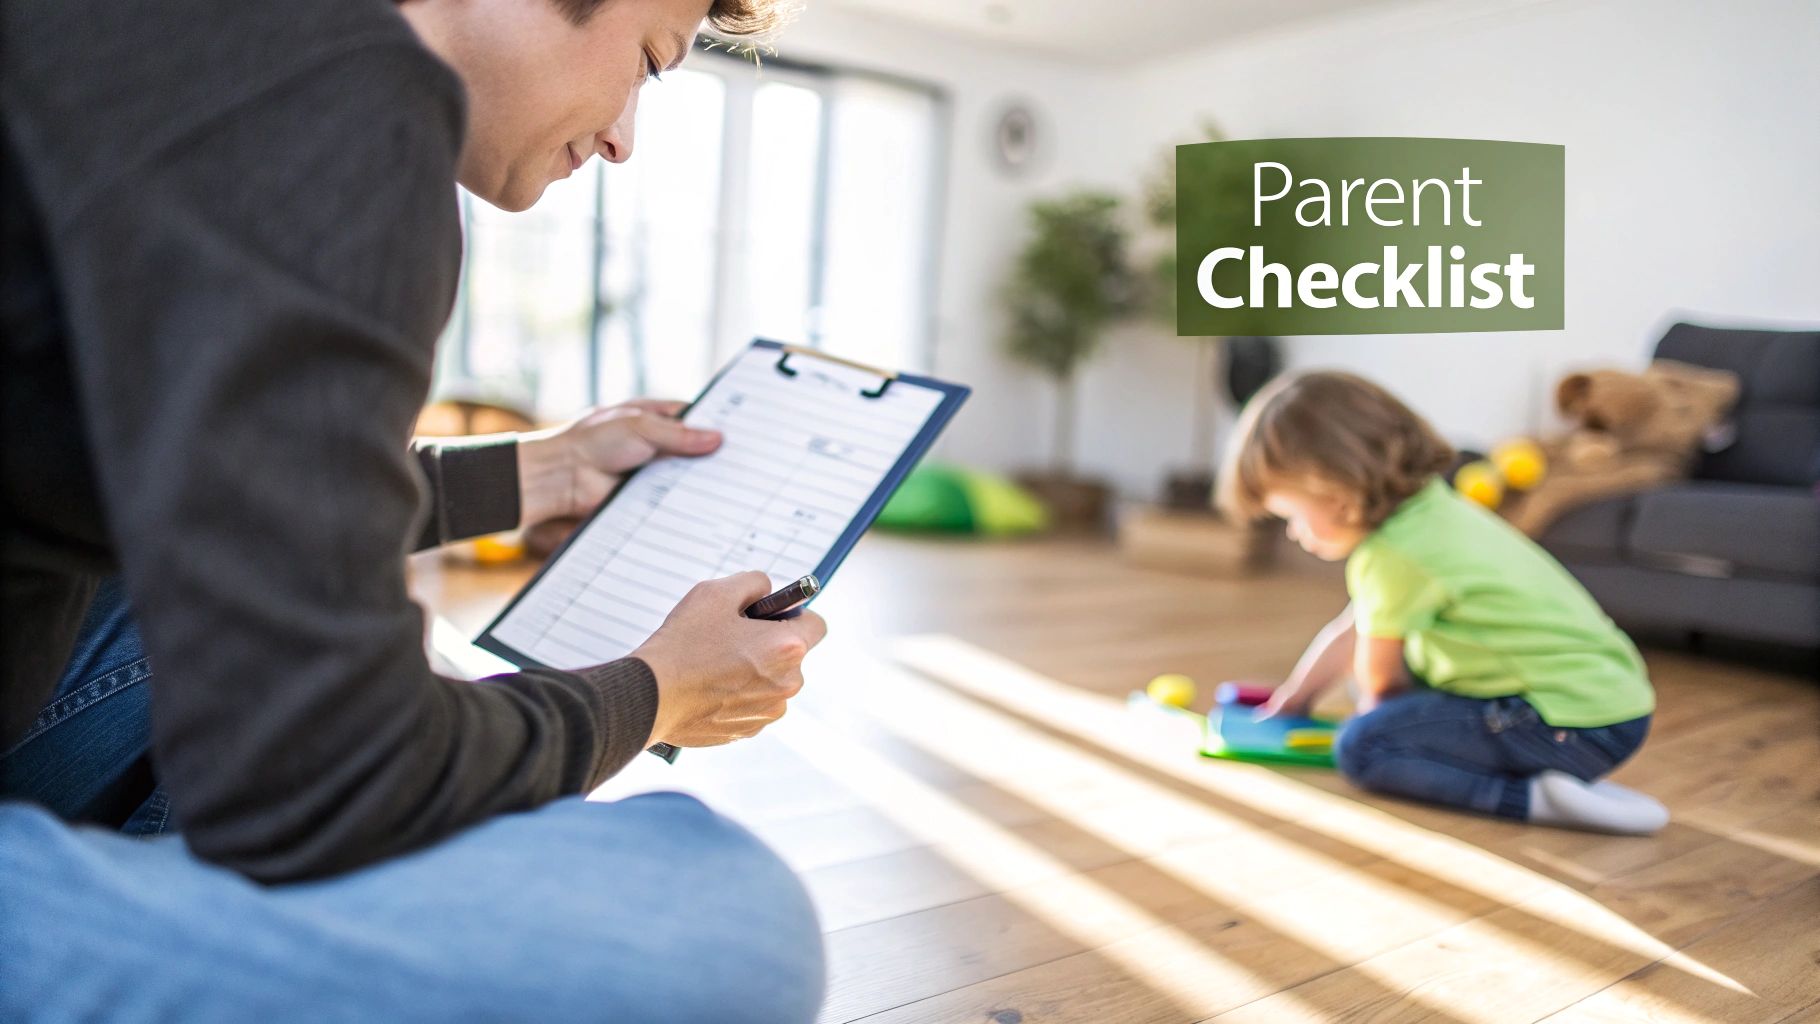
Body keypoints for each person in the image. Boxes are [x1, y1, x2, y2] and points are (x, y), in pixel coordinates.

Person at [0, 0, 828, 1019]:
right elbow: (328, 770)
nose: (621, 136)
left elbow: (229, 494)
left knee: (362, 666)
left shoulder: (181, 43)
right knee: (723, 923)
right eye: (650, 63)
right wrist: (654, 692)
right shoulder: (336, 104)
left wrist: (549, 471)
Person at [1217, 371, 1669, 835]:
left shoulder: (1390, 554)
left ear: (1338, 494)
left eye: (1293, 516)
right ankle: (1535, 772)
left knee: (1364, 748)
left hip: (1564, 725)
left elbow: (1380, 684)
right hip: (1611, 710)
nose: (1294, 533)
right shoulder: (1432, 511)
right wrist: (1292, 701)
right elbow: (1354, 630)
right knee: (1379, 694)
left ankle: (1535, 797)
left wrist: (1381, 725)